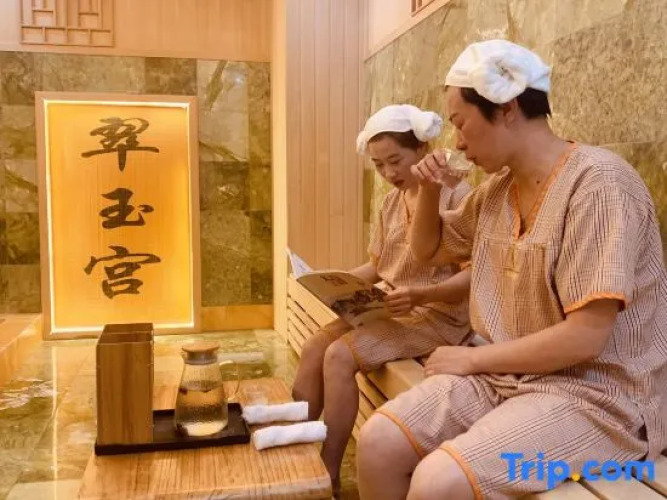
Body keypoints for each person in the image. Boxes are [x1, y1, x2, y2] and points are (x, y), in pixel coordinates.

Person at [356, 40, 667, 500]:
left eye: (460, 123)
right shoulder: (497, 191)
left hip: (599, 398)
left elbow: (586, 337)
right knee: (377, 443)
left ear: (506, 108)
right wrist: (429, 188)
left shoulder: (599, 184)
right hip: (508, 377)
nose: (457, 142)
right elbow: (428, 251)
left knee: (439, 481)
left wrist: (470, 359)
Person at [291, 104, 474, 494]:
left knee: (338, 356)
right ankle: (295, 458)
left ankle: (329, 471)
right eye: (378, 165)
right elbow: (378, 266)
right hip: (390, 306)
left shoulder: (457, 195)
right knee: (313, 347)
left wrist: (423, 294)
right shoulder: (392, 201)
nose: (389, 173)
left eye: (395, 161)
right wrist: (327, 284)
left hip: (437, 316)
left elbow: (475, 275)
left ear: (422, 148)